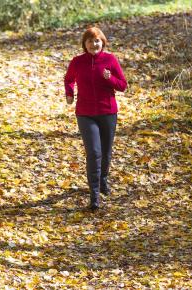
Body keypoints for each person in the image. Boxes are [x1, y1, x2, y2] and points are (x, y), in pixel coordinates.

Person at [64, 27, 127, 210]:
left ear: (103, 42)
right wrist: (69, 94)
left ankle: (103, 181)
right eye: (90, 41)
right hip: (85, 113)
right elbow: (68, 79)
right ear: (85, 44)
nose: (94, 44)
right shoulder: (77, 62)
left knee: (105, 152)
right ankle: (94, 195)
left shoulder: (110, 59)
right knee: (93, 152)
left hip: (108, 112)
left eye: (97, 41)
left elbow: (122, 85)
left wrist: (110, 79)